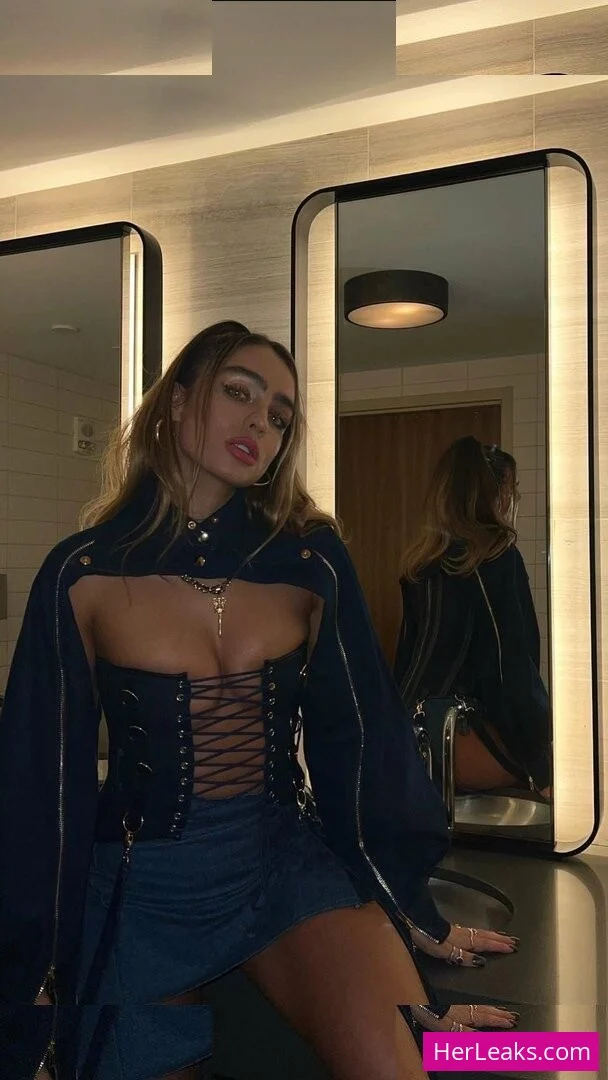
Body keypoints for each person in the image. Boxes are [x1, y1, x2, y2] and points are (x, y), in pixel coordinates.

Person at [0, 322, 502, 1080]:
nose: (260, 423)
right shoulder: (83, 573)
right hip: (140, 890)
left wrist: (407, 906)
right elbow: (43, 783)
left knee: (412, 1065)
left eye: (279, 416)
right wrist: (32, 974)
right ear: (177, 401)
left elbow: (363, 742)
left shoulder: (310, 561)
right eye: (239, 392)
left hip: (279, 863)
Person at [394, 435, 551, 967]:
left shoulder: (420, 566)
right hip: (465, 741)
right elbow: (512, 671)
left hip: (414, 740)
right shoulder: (497, 557)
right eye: (510, 491)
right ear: (495, 494)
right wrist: (544, 764)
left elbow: (405, 671)